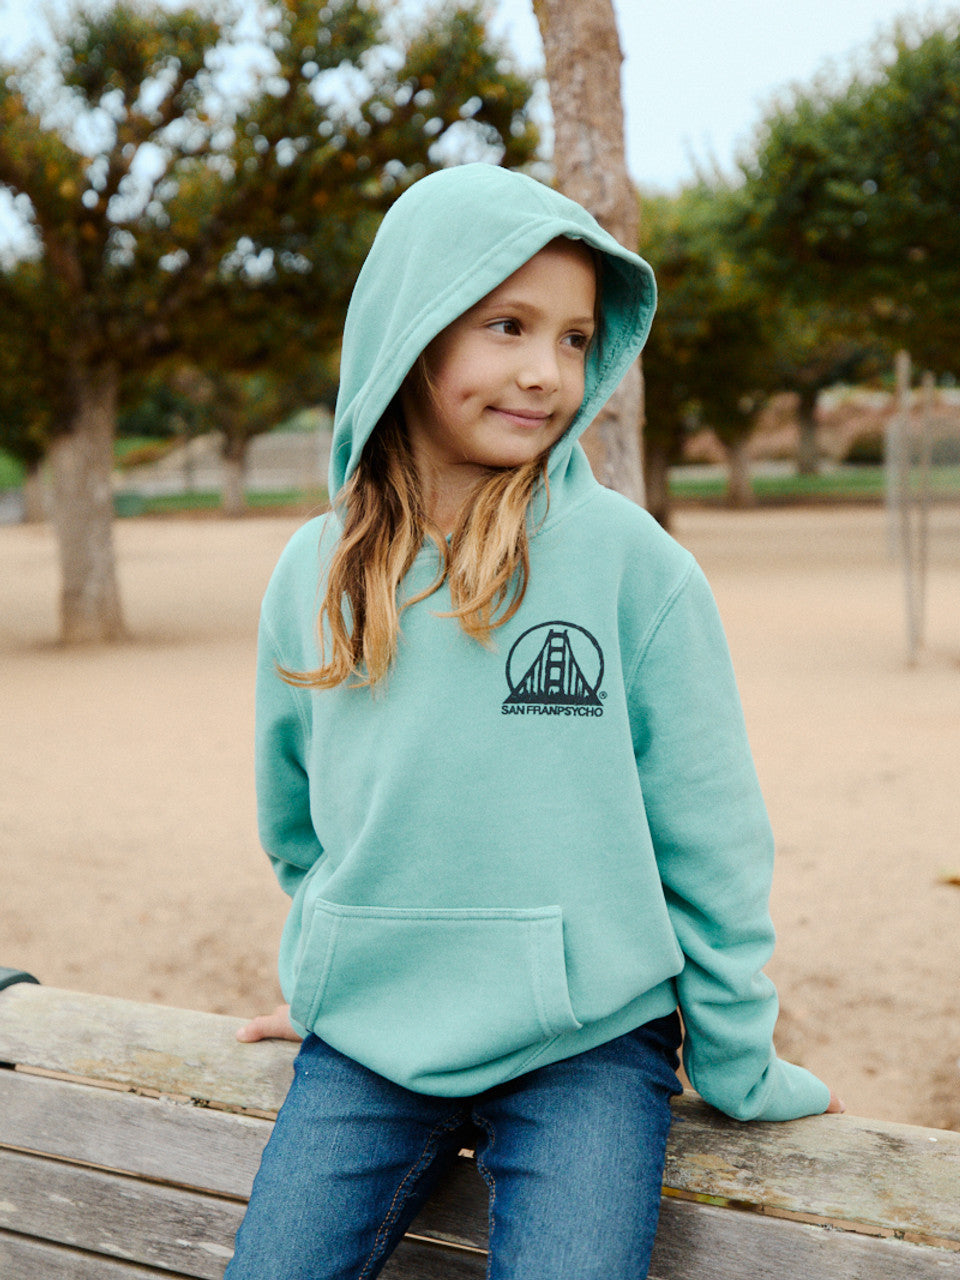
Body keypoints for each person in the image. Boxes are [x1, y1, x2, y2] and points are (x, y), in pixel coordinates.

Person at [225, 162, 842, 1280]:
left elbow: (712, 837)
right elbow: (298, 821)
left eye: (573, 338)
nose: (545, 370)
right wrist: (332, 962)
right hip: (370, 1040)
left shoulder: (632, 567)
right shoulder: (310, 572)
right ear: (412, 330)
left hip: (590, 1047)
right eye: (508, 324)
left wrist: (740, 1056)